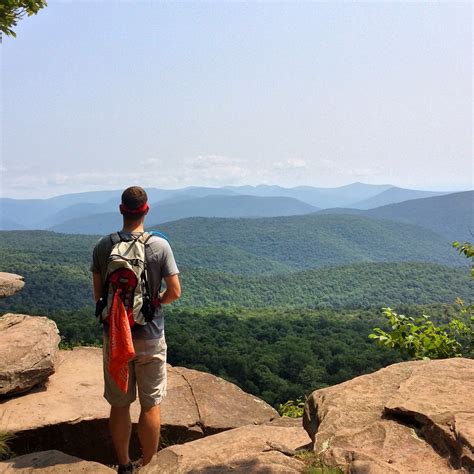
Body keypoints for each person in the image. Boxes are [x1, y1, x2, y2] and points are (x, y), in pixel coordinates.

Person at [91, 186, 181, 473]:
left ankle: (124, 465)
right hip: (150, 336)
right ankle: (150, 466)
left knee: (120, 404)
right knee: (150, 404)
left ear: (121, 209)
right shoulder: (160, 246)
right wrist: (154, 304)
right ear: (146, 209)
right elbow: (175, 291)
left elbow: (98, 297)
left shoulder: (104, 246)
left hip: (117, 337)